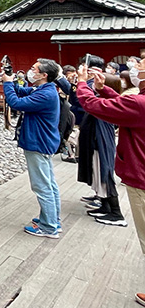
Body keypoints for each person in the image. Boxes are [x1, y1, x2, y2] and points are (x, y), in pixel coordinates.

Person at [76, 58, 145, 307]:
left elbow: (94, 105)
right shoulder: (137, 100)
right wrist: (105, 88)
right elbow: (119, 103)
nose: (134, 69)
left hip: (141, 176)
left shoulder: (139, 102)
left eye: (140, 65)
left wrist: (82, 84)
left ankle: (113, 211)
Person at [2, 58, 62, 238]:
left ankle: (49, 226)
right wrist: (11, 81)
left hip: (38, 142)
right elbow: (21, 92)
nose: (30, 70)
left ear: (44, 75)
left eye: (34, 69)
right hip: (43, 141)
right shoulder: (45, 89)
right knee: (49, 183)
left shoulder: (45, 94)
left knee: (42, 186)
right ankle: (52, 219)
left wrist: (6, 85)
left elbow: (17, 103)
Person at [75, 55, 126, 226]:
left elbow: (87, 101)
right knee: (98, 171)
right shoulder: (99, 86)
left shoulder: (102, 87)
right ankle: (105, 206)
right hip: (96, 132)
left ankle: (116, 212)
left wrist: (83, 82)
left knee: (104, 170)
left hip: (101, 133)